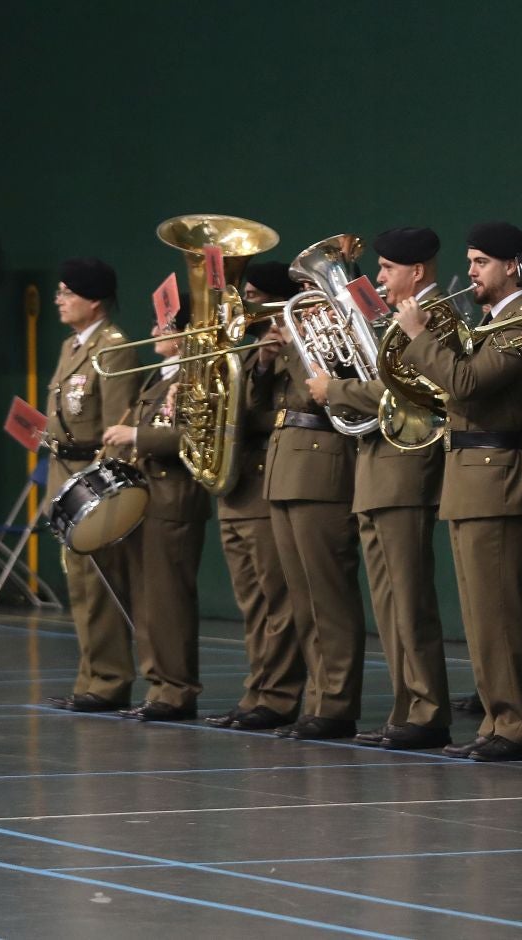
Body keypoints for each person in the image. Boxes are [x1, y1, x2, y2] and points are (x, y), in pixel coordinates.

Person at [399, 221, 522, 762]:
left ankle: (514, 726)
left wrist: (419, 337)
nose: (470, 271)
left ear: (512, 265)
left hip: (497, 473)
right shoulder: (486, 320)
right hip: (467, 473)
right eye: (470, 260)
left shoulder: (521, 319)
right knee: (480, 614)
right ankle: (495, 720)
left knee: (499, 611)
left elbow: (465, 383)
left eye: (482, 261)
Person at [309, 227, 453, 750]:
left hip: (405, 471)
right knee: (389, 605)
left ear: (417, 272)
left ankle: (428, 709)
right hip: (374, 469)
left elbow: (410, 390)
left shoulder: (435, 318)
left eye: (388, 269)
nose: (380, 278)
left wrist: (337, 388)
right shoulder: (394, 318)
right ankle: (406, 708)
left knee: (409, 600)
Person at [206, 262, 307, 732]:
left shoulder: (297, 348)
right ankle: (257, 689)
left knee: (277, 602)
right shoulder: (250, 353)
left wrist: (274, 360)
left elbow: (284, 413)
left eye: (251, 296)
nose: (242, 305)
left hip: (271, 482)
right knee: (252, 604)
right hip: (237, 487)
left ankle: (279, 694)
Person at [260, 273, 362, 741]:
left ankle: (337, 704)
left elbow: (325, 394)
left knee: (328, 596)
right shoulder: (293, 340)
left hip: (321, 468)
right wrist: (266, 359)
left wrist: (293, 347)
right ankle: (319, 700)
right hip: (286, 467)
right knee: (303, 599)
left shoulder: (343, 331)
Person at [42, 258, 144, 714]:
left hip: (92, 478)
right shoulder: (72, 346)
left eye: (68, 293)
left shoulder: (113, 348)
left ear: (94, 300)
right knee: (80, 587)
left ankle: (109, 681)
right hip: (63, 474)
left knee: (100, 585)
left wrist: (104, 488)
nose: (59, 300)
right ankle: (90, 677)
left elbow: (118, 423)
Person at [101, 308, 209, 720]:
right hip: (148, 496)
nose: (151, 332)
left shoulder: (196, 374)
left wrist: (137, 436)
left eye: (161, 325)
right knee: (147, 600)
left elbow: (197, 435)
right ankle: (160, 686)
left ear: (184, 333)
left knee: (168, 600)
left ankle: (177, 690)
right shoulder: (163, 372)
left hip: (174, 497)